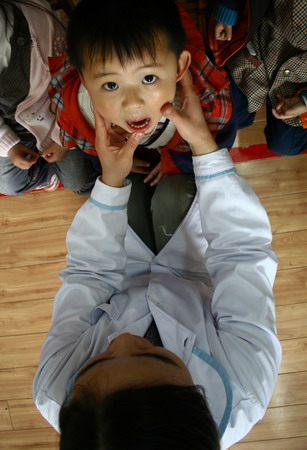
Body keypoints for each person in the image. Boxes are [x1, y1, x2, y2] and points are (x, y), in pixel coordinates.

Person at [33, 70, 282, 449]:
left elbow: (87, 275)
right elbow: (242, 254)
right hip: (195, 271)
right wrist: (204, 147)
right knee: (174, 191)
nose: (124, 341)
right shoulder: (246, 387)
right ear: (202, 397)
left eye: (95, 362)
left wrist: (110, 183)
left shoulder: (51, 389)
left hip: (120, 277)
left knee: (127, 190)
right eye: (160, 357)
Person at [47, 0, 237, 188]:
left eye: (148, 78)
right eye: (111, 84)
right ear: (85, 81)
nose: (132, 104)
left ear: (179, 68)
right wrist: (110, 165)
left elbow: (219, 143)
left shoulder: (208, 102)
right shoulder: (74, 109)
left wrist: (175, 163)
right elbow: (87, 145)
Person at [0, 0, 98, 195]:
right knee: (10, 186)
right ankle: (52, 174)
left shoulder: (38, 33)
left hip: (59, 118)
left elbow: (75, 90)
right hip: (14, 126)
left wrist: (60, 138)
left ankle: (60, 170)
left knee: (77, 183)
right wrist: (9, 145)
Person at [208, 0, 307, 155]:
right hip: (262, 41)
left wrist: (305, 101)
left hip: (299, 80)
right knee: (235, 119)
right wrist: (229, 7)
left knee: (286, 146)